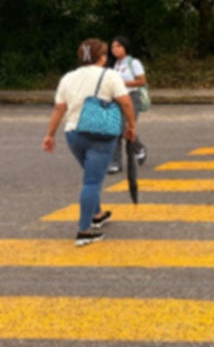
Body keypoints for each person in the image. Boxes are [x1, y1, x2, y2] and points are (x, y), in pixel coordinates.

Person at [42, 39, 137, 246]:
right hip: (100, 134)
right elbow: (126, 102)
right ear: (102, 57)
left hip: (73, 134)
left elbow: (59, 108)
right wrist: (131, 125)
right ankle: (84, 231)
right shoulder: (110, 75)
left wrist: (50, 135)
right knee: (92, 182)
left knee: (91, 176)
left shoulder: (68, 77)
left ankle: (97, 214)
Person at [107, 36, 148, 174]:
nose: (115, 49)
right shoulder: (113, 64)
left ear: (125, 47)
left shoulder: (133, 62)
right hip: (116, 99)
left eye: (118, 46)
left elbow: (142, 81)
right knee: (115, 130)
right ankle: (115, 163)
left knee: (126, 128)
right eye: (113, 47)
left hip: (131, 98)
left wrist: (122, 83)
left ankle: (139, 148)